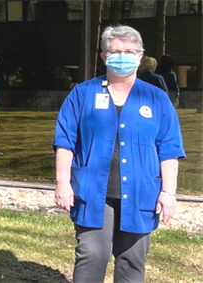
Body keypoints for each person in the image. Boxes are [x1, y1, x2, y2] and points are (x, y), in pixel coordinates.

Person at [54, 25, 184, 283]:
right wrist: (62, 183)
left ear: (140, 56)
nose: (122, 56)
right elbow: (65, 141)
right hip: (92, 193)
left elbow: (169, 149)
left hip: (142, 194)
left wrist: (168, 193)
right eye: (115, 51)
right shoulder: (82, 94)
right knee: (92, 256)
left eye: (128, 51)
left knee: (131, 263)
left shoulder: (156, 99)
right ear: (103, 56)